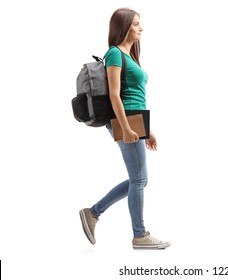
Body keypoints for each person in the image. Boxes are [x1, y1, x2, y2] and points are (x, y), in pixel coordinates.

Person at [79, 7, 170, 250]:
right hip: (124, 120)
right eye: (136, 24)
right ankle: (139, 235)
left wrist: (146, 130)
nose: (141, 28)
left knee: (139, 179)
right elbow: (115, 96)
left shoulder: (129, 56)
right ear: (124, 26)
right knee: (139, 179)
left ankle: (93, 212)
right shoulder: (114, 54)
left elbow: (136, 96)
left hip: (134, 119)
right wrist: (128, 128)